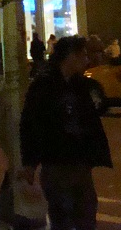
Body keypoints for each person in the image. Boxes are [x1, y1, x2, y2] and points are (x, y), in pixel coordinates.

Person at [20, 34, 112, 230]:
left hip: (80, 162)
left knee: (86, 215)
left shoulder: (82, 85)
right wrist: (30, 163)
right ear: (70, 56)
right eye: (82, 55)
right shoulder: (44, 86)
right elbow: (30, 125)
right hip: (56, 163)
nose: (86, 60)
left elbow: (96, 112)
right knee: (61, 217)